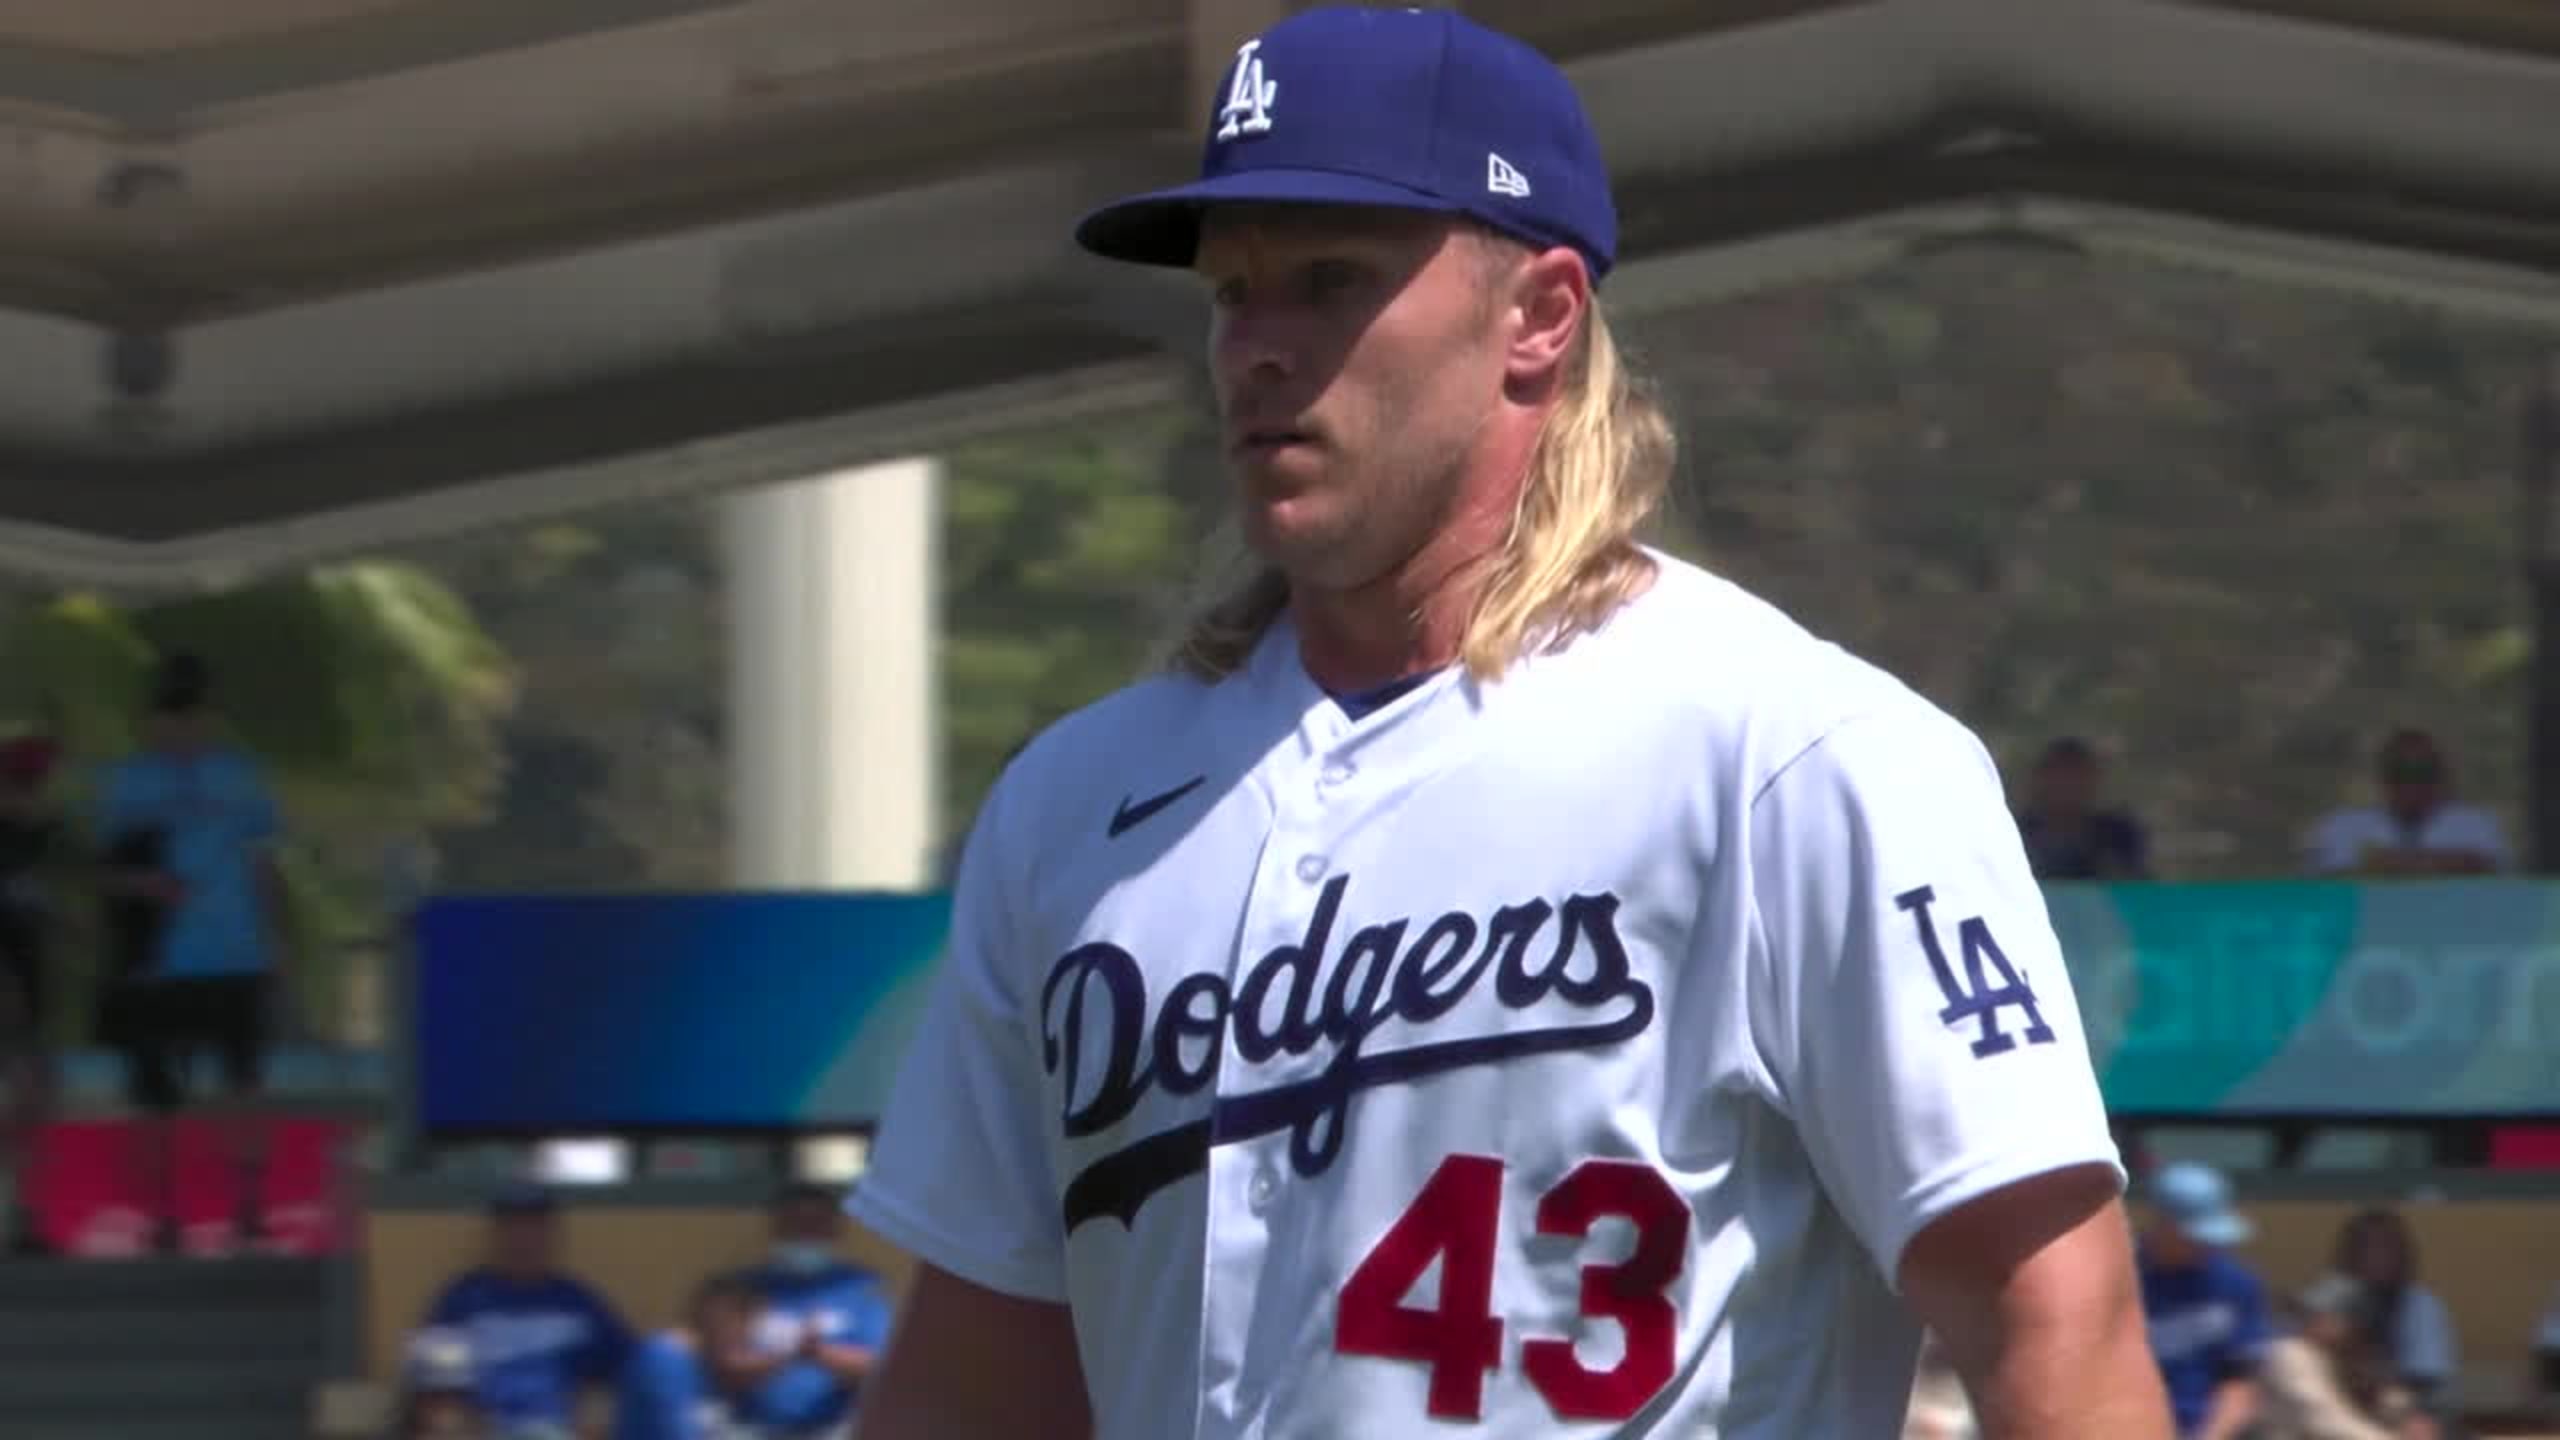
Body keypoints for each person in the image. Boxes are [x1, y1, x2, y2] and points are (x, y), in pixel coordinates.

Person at [845, 8, 2172, 1438]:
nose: (1257, 348)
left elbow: (2057, 1330)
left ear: (1537, 315)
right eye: (1233, 292)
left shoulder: (1789, 757)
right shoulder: (1077, 803)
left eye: (1328, 281)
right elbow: (976, 1380)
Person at [91, 651, 292, 1251]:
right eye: (170, 713)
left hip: (234, 955)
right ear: (153, 718)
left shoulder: (241, 774)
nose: (181, 726)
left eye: (192, 713)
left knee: (245, 1084)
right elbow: (102, 875)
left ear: (209, 715)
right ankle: (163, 1217)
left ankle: (249, 1209)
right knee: (157, 1097)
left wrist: (275, 943)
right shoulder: (130, 781)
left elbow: (263, 864)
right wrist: (144, 886)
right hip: (158, 959)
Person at [419, 1183, 633, 1438]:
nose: (522, 1237)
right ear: (495, 1233)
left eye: (534, 1226)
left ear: (552, 1233)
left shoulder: (581, 1305)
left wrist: (595, 1421)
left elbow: (632, 1372)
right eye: (512, 1226)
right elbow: (433, 1392)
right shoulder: (461, 1302)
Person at [726, 1181, 891, 1438]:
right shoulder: (742, 1288)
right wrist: (788, 1355)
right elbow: (725, 1367)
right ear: (776, 1226)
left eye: (815, 1224)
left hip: (836, 1430)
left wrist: (819, 1353)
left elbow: (879, 1368)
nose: (805, 1233)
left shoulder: (861, 1287)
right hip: (752, 1429)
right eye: (796, 1223)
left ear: (835, 1228)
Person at [2137, 1162, 2274, 1439]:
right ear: (2163, 1224)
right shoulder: (2117, 1278)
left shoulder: (2236, 1283)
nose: (2208, 1245)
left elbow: (2241, 1381)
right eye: (2194, 1235)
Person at [2256, 1272, 2437, 1440]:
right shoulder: (2290, 1353)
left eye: (2325, 1315)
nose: (2312, 1320)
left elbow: (2392, 1401)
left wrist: (2409, 1415)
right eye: (2311, 1312)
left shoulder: (2350, 1356)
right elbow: (2324, 1419)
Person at [2303, 729, 2508, 876]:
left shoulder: (2475, 825)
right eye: (2399, 772)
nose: (2411, 783)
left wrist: (2386, 863)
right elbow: (2326, 883)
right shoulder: (2343, 826)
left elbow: (2494, 875)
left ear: (2441, 777)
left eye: (2423, 772)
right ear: (2383, 777)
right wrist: (2441, 863)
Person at [612, 1272, 770, 1440]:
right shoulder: (666, 1359)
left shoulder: (711, 1360)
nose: (747, 1334)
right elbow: (676, 1433)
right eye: (744, 1319)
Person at [2330, 1208, 2458, 1410]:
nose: (2376, 1257)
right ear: (2348, 1255)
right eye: (2366, 1247)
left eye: (2386, 1248)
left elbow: (2425, 1380)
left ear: (2404, 1256)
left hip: (2410, 1412)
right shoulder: (2329, 1302)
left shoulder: (2422, 1306)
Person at [2015, 736, 2150, 880]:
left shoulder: (2119, 835)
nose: (2068, 785)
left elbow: (2137, 884)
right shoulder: (2014, 833)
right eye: (2060, 776)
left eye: (2076, 776)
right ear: (2040, 780)